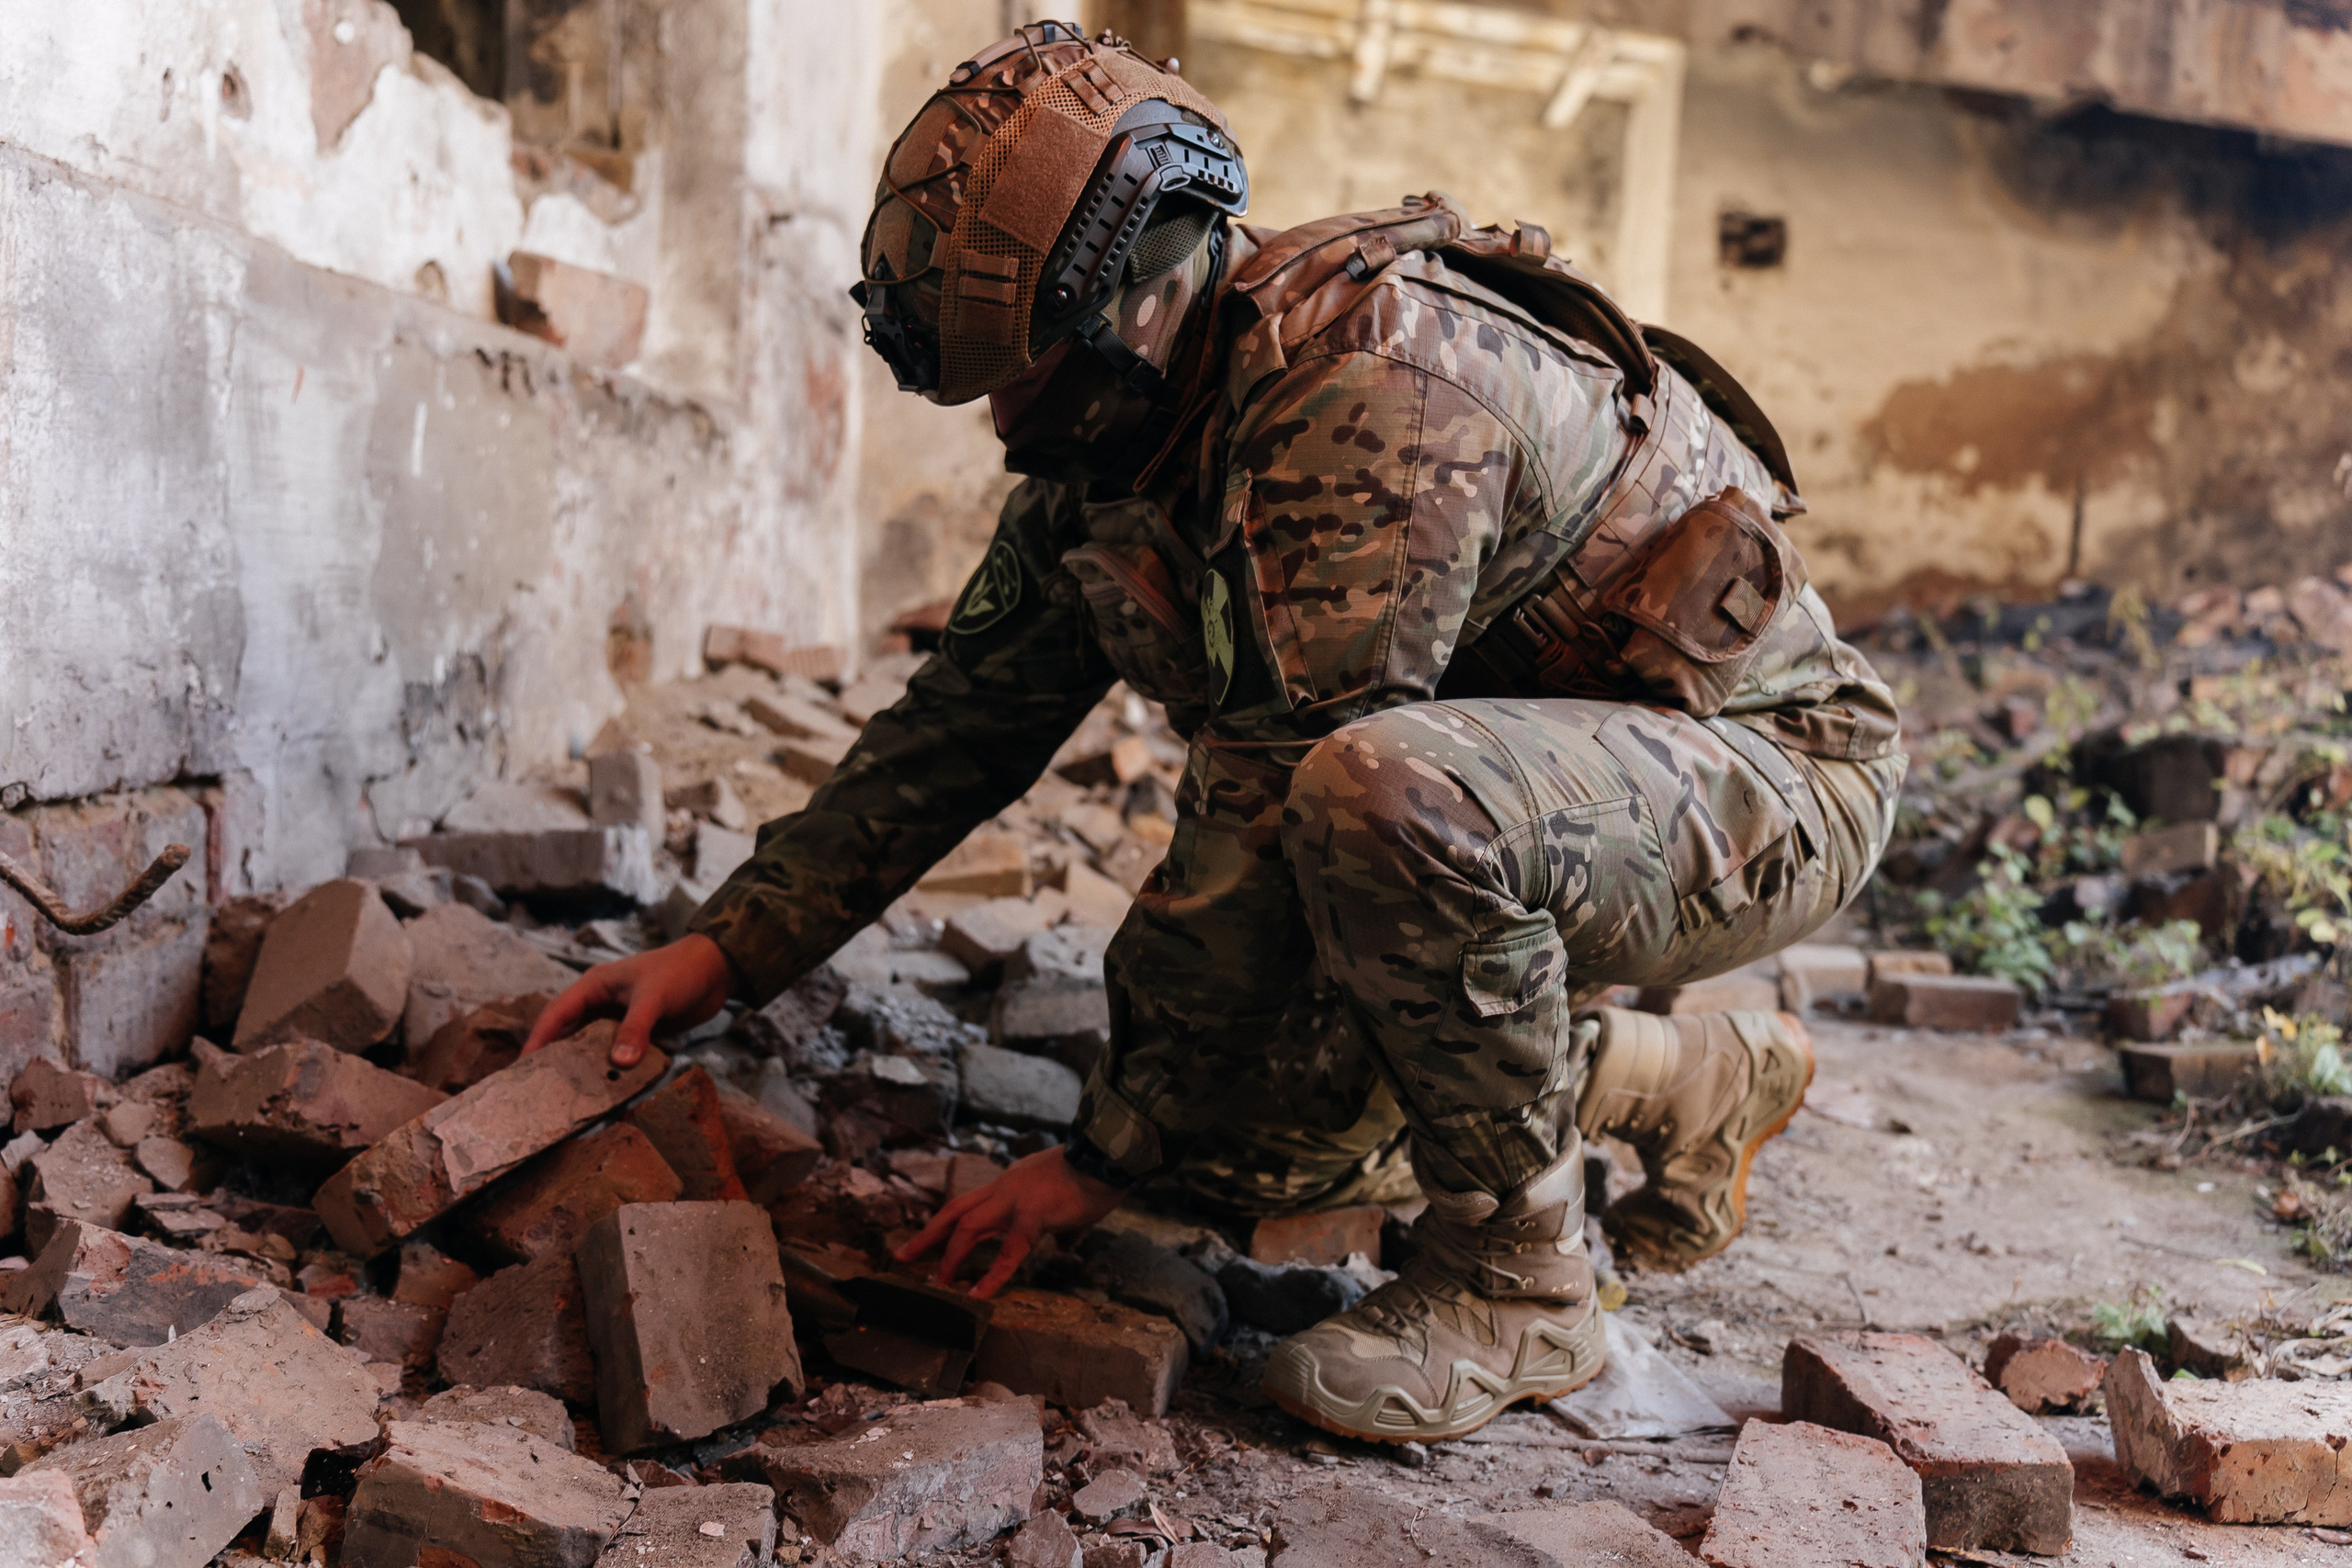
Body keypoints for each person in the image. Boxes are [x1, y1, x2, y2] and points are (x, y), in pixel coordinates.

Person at [523, 20, 1905, 1445]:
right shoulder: (1126, 425)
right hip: (1547, 803)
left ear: (1144, 295)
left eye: (1028, 373)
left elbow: (1262, 806)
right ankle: (1679, 1080)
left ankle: (1521, 1283)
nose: (1004, 419)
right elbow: (964, 718)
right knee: (1250, 1135)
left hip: (1770, 782)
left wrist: (1104, 1157)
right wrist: (727, 946)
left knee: (1365, 818)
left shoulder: (1366, 399)